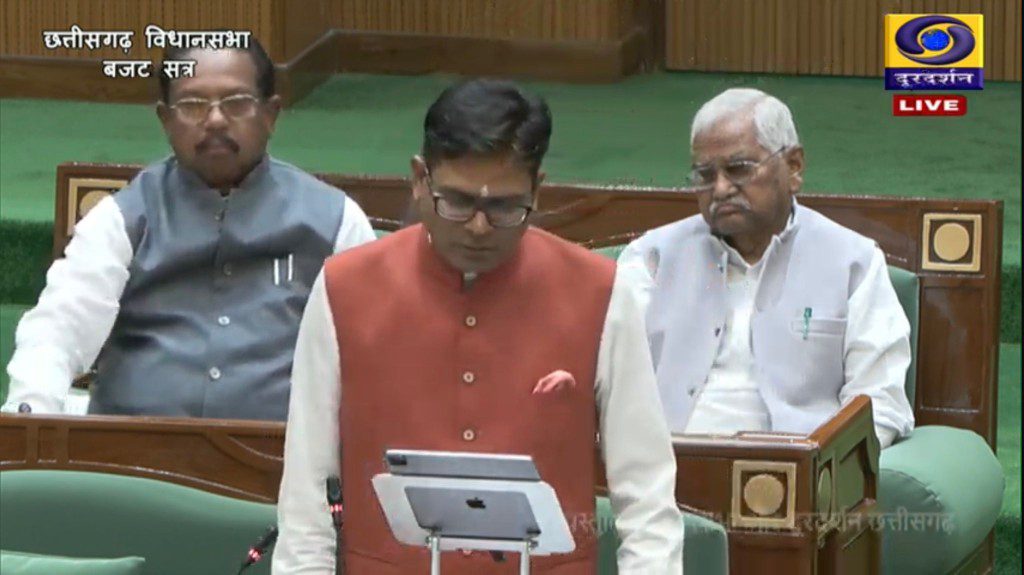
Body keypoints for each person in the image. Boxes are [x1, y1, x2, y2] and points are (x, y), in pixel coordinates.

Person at [274, 79, 683, 574]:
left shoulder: (601, 292)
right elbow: (307, 492)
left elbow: (646, 497)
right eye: (457, 201)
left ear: (538, 190)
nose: (478, 227)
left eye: (505, 207)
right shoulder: (344, 288)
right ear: (419, 179)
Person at [1, 38, 375, 420]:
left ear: (270, 114)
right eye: (193, 105)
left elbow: (375, 349)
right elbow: (58, 327)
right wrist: (31, 415)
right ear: (166, 119)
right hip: (131, 450)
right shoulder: (122, 218)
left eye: (236, 103)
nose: (215, 120)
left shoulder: (335, 221)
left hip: (282, 451)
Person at [618, 88, 915, 448]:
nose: (720, 189)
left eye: (739, 169)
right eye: (705, 175)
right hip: (664, 463)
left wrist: (829, 468)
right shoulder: (652, 258)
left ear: (794, 167)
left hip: (795, 470)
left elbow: (879, 402)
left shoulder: (853, 262)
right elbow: (610, 380)